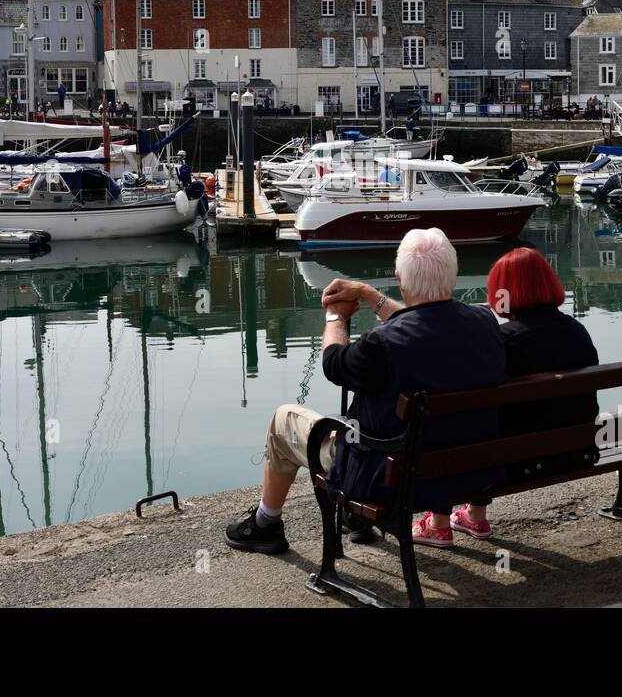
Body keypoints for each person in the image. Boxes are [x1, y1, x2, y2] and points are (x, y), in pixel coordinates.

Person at [224, 228, 505, 554]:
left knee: (284, 420)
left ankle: (265, 523)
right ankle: (347, 521)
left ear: (400, 278)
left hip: (385, 481)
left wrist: (335, 317)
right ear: (453, 274)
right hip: (470, 473)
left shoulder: (382, 344)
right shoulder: (485, 322)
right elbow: (426, 321)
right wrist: (371, 296)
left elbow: (334, 363)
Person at [443, 248, 600, 542]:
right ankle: (473, 515)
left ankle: (449, 519)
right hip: (578, 453)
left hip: (515, 465)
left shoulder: (503, 342)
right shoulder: (577, 332)